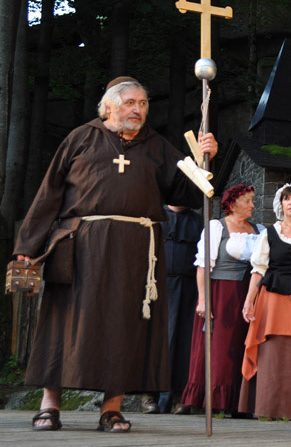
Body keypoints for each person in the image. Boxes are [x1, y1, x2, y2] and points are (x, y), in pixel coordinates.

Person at [14, 76, 218, 432]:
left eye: (143, 104)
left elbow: (187, 193)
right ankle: (50, 405)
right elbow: (49, 194)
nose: (138, 110)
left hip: (135, 252)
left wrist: (205, 159)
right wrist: (27, 247)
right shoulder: (81, 138)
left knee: (124, 325)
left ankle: (111, 409)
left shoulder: (156, 146)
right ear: (109, 107)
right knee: (65, 322)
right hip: (81, 246)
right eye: (130, 103)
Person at [239, 183, 291, 420]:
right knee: (271, 350)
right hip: (273, 301)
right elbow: (258, 269)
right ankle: (267, 407)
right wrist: (249, 301)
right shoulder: (269, 234)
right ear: (281, 204)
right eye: (287, 199)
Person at [180, 185, 264, 415]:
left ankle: (239, 402)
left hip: (249, 293)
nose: (252, 205)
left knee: (241, 345)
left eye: (252, 200)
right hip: (222, 293)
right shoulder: (217, 227)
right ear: (233, 203)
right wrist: (203, 299)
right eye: (247, 201)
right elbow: (203, 265)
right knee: (219, 347)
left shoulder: (259, 230)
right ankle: (214, 399)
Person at [157, 204, 203, 414]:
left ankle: (180, 395)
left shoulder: (199, 222)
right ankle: (150, 394)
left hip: (188, 288)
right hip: (157, 287)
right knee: (159, 340)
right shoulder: (155, 216)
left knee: (185, 342)